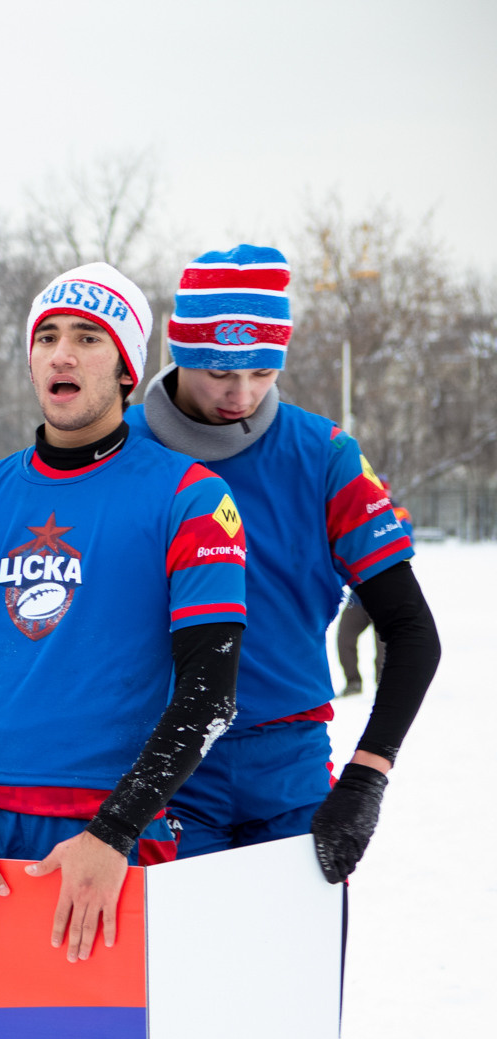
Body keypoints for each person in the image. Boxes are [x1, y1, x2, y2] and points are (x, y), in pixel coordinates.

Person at [0, 266, 249, 962]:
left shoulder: (191, 496)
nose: (61, 353)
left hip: (108, 838)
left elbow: (210, 694)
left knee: (107, 1035)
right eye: (48, 337)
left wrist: (115, 831)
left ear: (126, 369)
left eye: (88, 338)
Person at [128, 246, 439, 878]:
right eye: (219, 371)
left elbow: (412, 631)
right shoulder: (120, 451)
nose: (241, 393)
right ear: (180, 351)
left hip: (289, 767)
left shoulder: (324, 456)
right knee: (182, 948)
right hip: (157, 765)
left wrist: (367, 778)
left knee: (289, 946)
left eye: (263, 371)